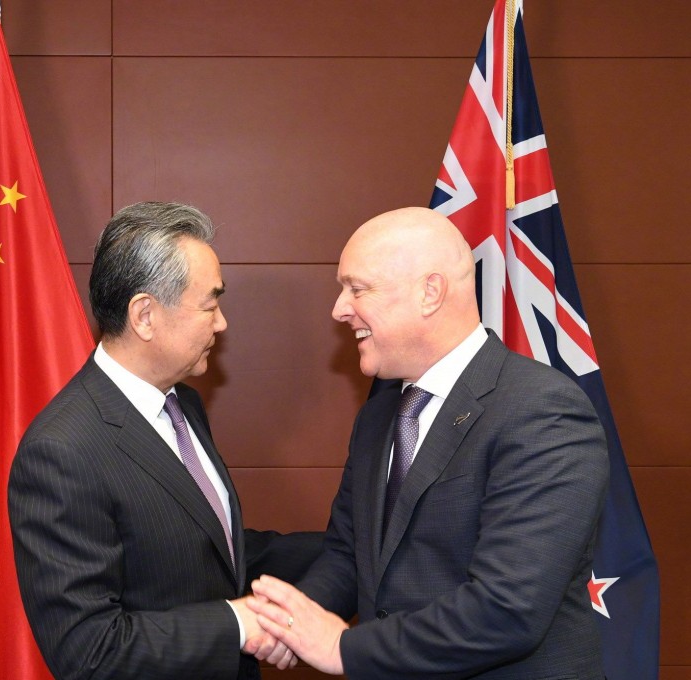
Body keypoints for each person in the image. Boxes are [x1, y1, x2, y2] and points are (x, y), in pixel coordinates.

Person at [247, 207, 610, 678]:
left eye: (357, 289)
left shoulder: (541, 411)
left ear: (430, 292)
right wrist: (289, 620)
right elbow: (348, 555)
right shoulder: (380, 415)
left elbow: (508, 608)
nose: (338, 309)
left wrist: (343, 648)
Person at [8, 201, 321, 680]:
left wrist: (354, 550)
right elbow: (89, 651)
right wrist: (238, 622)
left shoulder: (183, 405)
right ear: (145, 315)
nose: (222, 324)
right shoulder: (62, 451)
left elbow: (208, 553)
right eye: (210, 305)